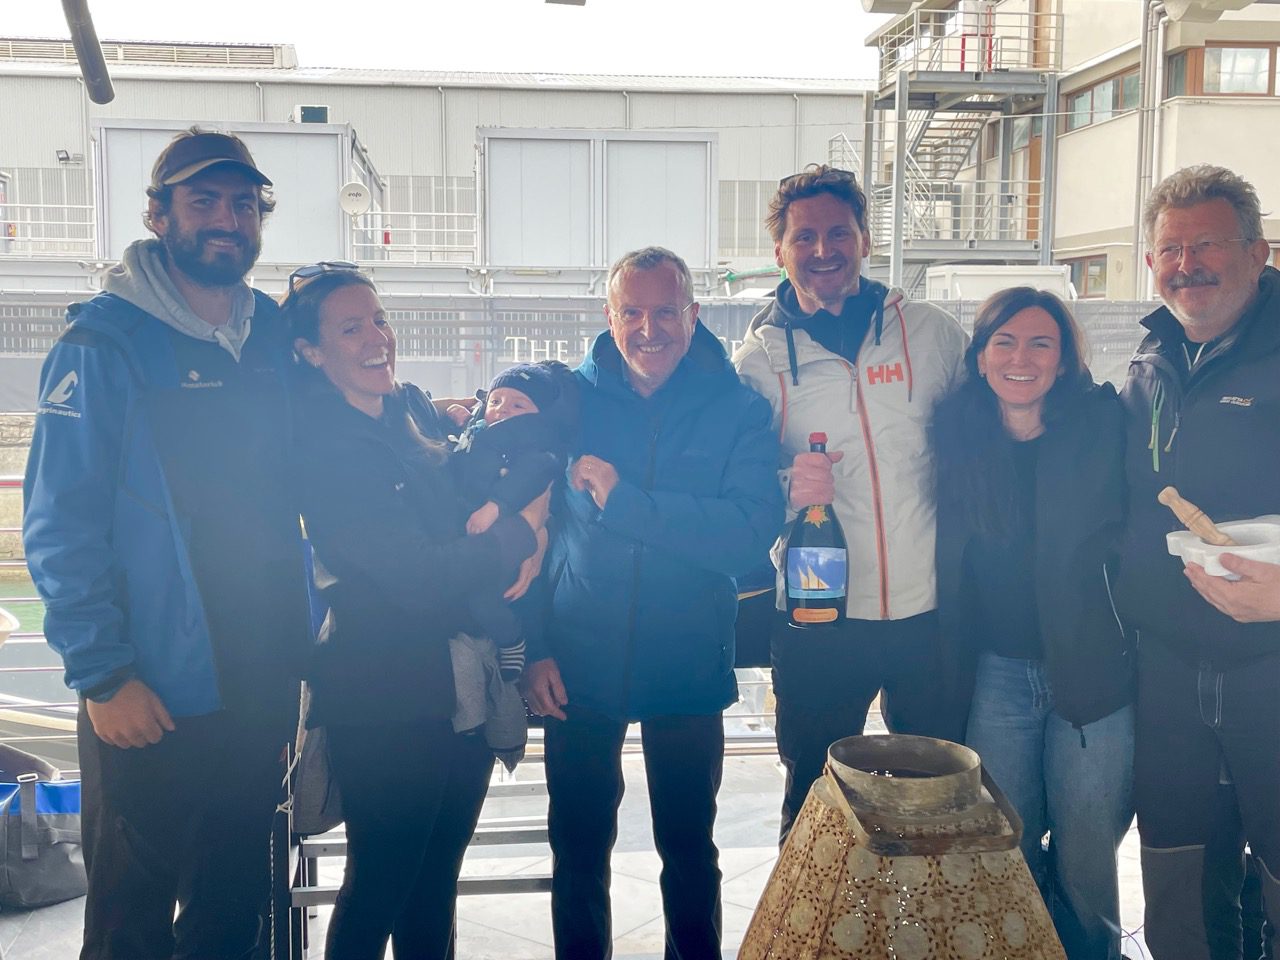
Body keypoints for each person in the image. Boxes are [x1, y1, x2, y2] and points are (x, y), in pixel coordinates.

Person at [22, 128, 313, 960]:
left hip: (256, 682)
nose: (227, 219)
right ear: (158, 215)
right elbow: (59, 522)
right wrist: (103, 673)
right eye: (203, 200)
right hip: (148, 689)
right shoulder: (103, 343)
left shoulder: (270, 338)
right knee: (132, 920)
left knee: (233, 909)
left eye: (244, 205)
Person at [521, 246, 783, 960]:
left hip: (687, 662)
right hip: (576, 659)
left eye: (665, 312)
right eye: (632, 312)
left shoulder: (737, 409)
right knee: (578, 848)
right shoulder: (568, 404)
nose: (648, 329)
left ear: (693, 315)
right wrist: (533, 647)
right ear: (609, 317)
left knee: (690, 848)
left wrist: (628, 504)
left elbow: (747, 535)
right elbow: (531, 535)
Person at [283, 262, 547, 959]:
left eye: (379, 319)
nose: (377, 338)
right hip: (385, 695)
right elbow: (418, 576)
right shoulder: (325, 449)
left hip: (460, 683)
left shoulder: (412, 412)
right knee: (381, 883)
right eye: (351, 328)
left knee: (434, 885)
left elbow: (473, 502)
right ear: (310, 351)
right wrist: (519, 536)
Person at [732, 164, 969, 841]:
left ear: (865, 239)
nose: (823, 250)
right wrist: (788, 487)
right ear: (780, 250)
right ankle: (807, 912)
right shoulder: (757, 361)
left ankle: (923, 910)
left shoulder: (932, 334)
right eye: (803, 237)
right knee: (814, 799)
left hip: (928, 611)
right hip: (818, 614)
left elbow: (984, 442)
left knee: (934, 797)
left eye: (839, 233)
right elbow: (739, 483)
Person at [932, 287, 1133, 959]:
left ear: (1065, 358)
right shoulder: (956, 439)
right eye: (1005, 342)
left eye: (1041, 343)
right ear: (980, 357)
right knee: (1002, 848)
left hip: (1093, 674)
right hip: (997, 677)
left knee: (1087, 855)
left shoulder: (1103, 428)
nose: (1022, 358)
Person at [1115, 163, 1280, 960]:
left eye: (1207, 245)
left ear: (1257, 251)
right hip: (1170, 675)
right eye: (1170, 250)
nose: (1187, 266)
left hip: (1272, 670)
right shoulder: (1151, 360)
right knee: (1181, 896)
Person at [449, 360, 580, 681]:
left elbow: (530, 475)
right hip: (474, 534)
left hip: (503, 535)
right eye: (495, 401)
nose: (503, 409)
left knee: (488, 599)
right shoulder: (483, 431)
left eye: (518, 405)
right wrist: (458, 414)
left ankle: (512, 642)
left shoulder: (534, 445)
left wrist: (496, 506)